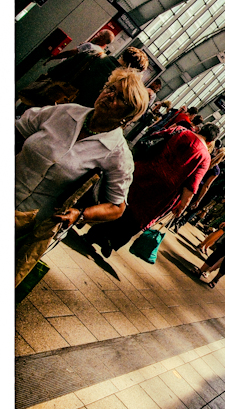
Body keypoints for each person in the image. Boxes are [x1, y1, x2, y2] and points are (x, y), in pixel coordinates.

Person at [16, 68, 149, 281]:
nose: (109, 96)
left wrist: (79, 215)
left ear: (128, 116)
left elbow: (116, 207)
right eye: (109, 89)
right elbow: (19, 131)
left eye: (121, 98)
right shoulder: (65, 113)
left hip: (32, 225)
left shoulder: (118, 155)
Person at [87, 122, 219, 257]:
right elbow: (192, 185)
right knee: (138, 217)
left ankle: (95, 233)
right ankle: (111, 241)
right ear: (210, 141)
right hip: (163, 193)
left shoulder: (180, 131)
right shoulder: (205, 158)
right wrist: (183, 206)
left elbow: (155, 136)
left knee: (121, 201)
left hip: (144, 172)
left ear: (200, 129)